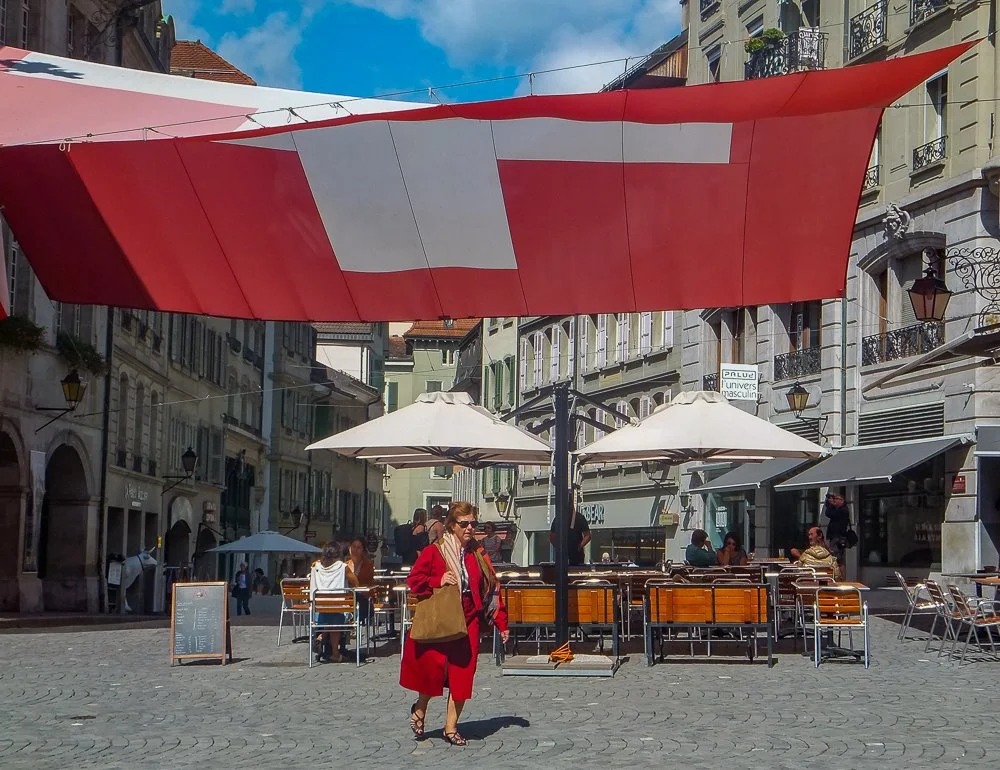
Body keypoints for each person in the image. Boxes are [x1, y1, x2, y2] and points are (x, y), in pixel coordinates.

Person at [401, 501, 509, 747]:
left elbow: (492, 587)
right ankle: (420, 707)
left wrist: (501, 622)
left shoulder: (477, 552)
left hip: (468, 619)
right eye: (464, 523)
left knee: (463, 674)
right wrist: (437, 579)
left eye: (474, 523)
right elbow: (414, 580)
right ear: (451, 525)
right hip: (442, 619)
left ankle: (451, 727)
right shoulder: (434, 551)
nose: (470, 528)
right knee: (433, 672)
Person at [309, 544, 358, 663]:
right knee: (337, 617)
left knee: (331, 616)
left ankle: (322, 636)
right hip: (338, 609)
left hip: (319, 609)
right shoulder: (343, 567)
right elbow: (356, 583)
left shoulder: (316, 566)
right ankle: (335, 653)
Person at [339, 538, 376, 658]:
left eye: (358, 547)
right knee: (341, 609)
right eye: (353, 547)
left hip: (363, 601)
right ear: (349, 548)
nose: (355, 550)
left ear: (363, 551)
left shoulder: (368, 565)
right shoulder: (343, 565)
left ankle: (348, 622)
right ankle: (338, 645)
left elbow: (368, 586)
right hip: (347, 601)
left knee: (351, 606)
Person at [548, 500, 591, 566]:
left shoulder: (560, 518)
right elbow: (588, 535)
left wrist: (579, 546)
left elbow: (552, 537)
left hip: (574, 553)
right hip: (571, 552)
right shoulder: (559, 518)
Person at [823, 492, 852, 564]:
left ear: (842, 500)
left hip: (838, 537)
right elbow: (829, 509)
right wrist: (829, 501)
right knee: (838, 559)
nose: (834, 500)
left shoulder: (843, 510)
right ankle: (840, 574)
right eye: (834, 499)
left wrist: (832, 504)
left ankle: (839, 574)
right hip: (836, 537)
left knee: (836, 559)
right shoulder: (839, 509)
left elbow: (829, 513)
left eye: (836, 499)